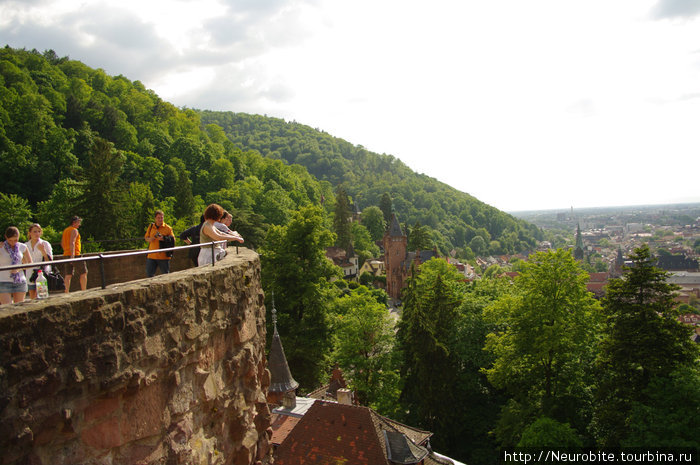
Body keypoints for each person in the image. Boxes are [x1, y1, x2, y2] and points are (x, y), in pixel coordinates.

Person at [0, 226, 32, 305]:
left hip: (20, 281)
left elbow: (30, 263)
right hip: (3, 281)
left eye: (15, 240)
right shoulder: (1, 247)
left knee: (19, 308)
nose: (13, 242)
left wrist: (19, 269)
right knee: (7, 308)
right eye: (10, 240)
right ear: (6, 237)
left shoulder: (22, 247)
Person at [25, 223, 53, 299]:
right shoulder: (25, 245)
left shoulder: (45, 243)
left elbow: (50, 261)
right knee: (32, 297)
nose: (37, 233)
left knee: (42, 296)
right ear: (30, 233)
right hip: (30, 274)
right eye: (34, 231)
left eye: (38, 231)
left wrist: (43, 251)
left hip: (41, 274)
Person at [144, 210, 175, 277]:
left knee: (165, 275)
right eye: (158, 218)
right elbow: (146, 238)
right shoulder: (151, 226)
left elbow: (173, 240)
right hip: (151, 255)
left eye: (161, 218)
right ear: (155, 218)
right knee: (149, 275)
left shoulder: (168, 228)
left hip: (163, 256)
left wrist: (163, 238)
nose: (160, 219)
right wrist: (150, 239)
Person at [61, 216, 87, 293]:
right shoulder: (74, 230)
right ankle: (84, 290)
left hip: (66, 254)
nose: (79, 224)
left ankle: (66, 291)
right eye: (78, 222)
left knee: (68, 274)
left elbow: (62, 243)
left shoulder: (66, 230)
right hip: (75, 254)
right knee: (83, 272)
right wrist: (72, 256)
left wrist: (66, 251)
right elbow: (72, 242)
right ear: (74, 222)